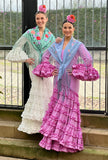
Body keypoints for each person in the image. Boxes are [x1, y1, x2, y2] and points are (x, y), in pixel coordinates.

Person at [32, 14, 99, 152]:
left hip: (71, 80)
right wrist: (51, 70)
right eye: (65, 28)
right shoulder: (56, 43)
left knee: (69, 107)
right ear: (62, 29)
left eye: (69, 27)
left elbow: (88, 59)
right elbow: (45, 56)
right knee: (58, 104)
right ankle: (55, 140)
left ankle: (67, 141)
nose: (67, 30)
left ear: (73, 29)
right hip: (58, 79)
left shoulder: (78, 45)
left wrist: (76, 70)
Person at [6, 5, 56, 134]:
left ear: (46, 19)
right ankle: (35, 125)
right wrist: (26, 59)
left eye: (42, 18)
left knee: (49, 91)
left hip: (47, 69)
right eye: (38, 19)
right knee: (37, 90)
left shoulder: (50, 35)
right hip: (34, 68)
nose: (40, 20)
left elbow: (54, 51)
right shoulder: (29, 33)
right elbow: (17, 46)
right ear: (35, 20)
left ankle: (48, 123)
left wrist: (53, 66)